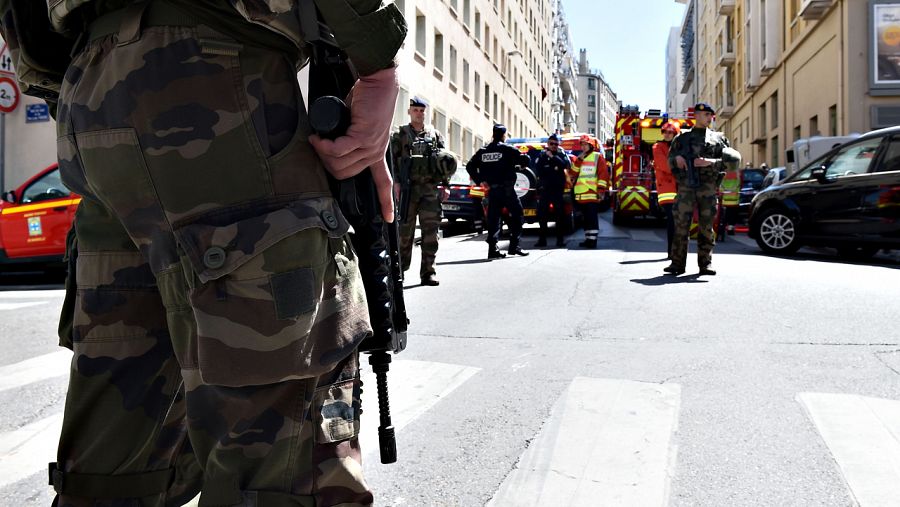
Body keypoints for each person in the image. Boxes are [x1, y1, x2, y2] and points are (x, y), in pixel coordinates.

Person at [0, 0, 406, 505]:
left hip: (90, 83)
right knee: (283, 469)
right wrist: (376, 65)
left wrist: (77, 74)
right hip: (218, 68)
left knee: (117, 458)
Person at [666, 103, 742, 276]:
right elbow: (669, 160)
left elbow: (731, 162)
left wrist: (711, 162)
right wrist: (677, 158)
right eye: (706, 114)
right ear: (697, 115)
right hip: (686, 187)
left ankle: (705, 264)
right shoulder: (682, 138)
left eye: (711, 115)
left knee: (706, 226)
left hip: (708, 187)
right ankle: (677, 263)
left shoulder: (718, 139)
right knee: (681, 226)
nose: (710, 118)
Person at [391, 96, 454, 286]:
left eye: (422, 110)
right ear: (409, 112)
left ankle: (428, 273)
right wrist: (395, 183)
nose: (419, 113)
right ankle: (399, 272)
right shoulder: (400, 134)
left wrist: (446, 185)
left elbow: (445, 162)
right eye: (415, 110)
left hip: (430, 190)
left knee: (430, 233)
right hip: (408, 190)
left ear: (425, 113)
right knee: (404, 233)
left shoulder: (435, 135)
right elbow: (392, 161)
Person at [466, 124, 530, 259]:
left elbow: (470, 166)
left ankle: (492, 249)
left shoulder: (483, 151)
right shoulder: (507, 149)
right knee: (518, 215)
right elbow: (525, 160)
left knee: (493, 220)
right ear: (504, 135)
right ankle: (514, 246)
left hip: (492, 191)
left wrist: (480, 181)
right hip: (507, 190)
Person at [570, 134, 609, 249]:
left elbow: (603, 174)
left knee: (591, 218)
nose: (583, 147)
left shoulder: (597, 157)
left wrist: (601, 189)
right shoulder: (580, 158)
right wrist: (578, 161)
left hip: (591, 193)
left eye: (585, 144)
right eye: (581, 144)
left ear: (591, 145)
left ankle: (592, 241)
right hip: (581, 195)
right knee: (585, 219)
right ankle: (588, 239)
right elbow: (573, 173)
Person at [535, 133, 571, 247]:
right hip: (545, 189)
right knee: (542, 215)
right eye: (551, 144)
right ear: (548, 144)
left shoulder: (561, 154)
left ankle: (560, 240)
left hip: (557, 190)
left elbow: (564, 165)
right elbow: (538, 169)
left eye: (556, 144)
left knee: (559, 216)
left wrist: (552, 157)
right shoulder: (542, 155)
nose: (554, 146)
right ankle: (542, 240)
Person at [652, 121, 681, 258]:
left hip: (680, 188)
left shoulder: (680, 147)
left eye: (670, 132)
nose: (667, 134)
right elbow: (665, 166)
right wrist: (680, 166)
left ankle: (677, 252)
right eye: (665, 132)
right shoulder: (657, 147)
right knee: (672, 221)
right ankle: (672, 252)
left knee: (679, 222)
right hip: (667, 190)